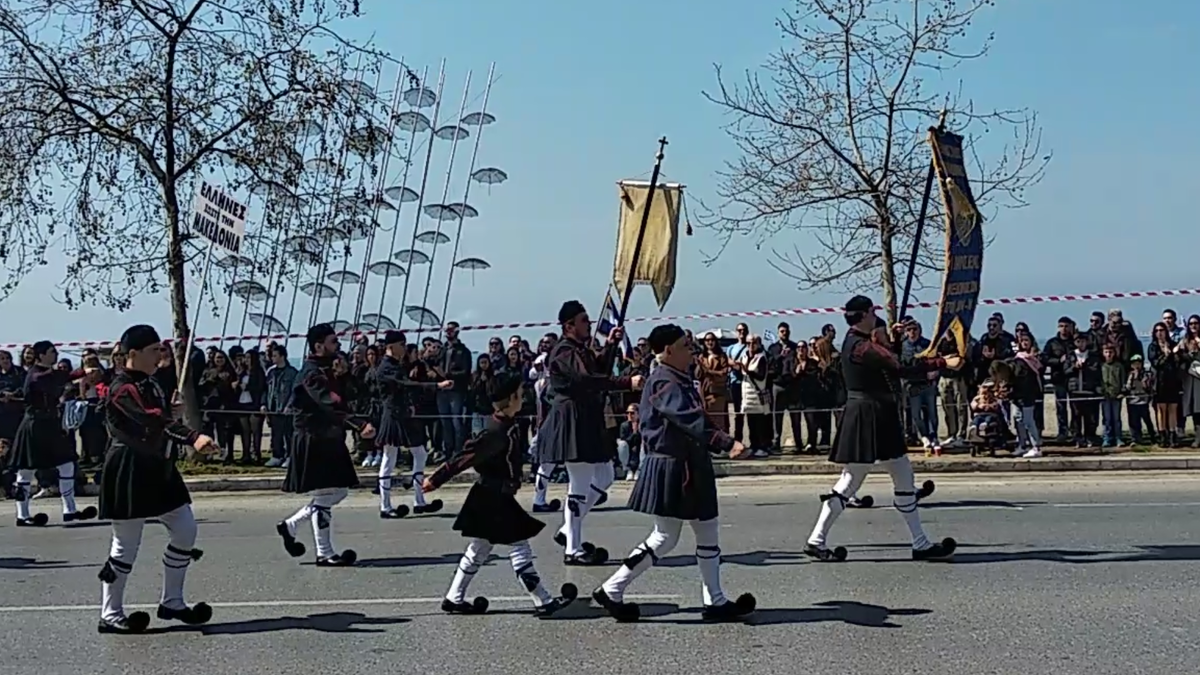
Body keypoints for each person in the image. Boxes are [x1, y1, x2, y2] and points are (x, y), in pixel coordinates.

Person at [593, 324, 756, 623]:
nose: (691, 349)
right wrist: (725, 441)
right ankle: (612, 589)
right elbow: (687, 417)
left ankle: (715, 601)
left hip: (690, 464)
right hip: (674, 466)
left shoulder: (678, 378)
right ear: (668, 350)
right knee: (665, 537)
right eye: (684, 345)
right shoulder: (663, 381)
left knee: (706, 530)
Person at [803, 296, 959, 562]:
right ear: (865, 314)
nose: (877, 315)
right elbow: (900, 367)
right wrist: (942, 363)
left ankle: (919, 543)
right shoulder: (862, 346)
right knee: (852, 481)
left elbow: (889, 361)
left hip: (873, 415)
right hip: (869, 417)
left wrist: (893, 340)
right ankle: (816, 539)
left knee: (901, 475)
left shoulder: (861, 344)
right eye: (873, 311)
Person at [423, 373, 578, 618]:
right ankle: (543, 601)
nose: (523, 397)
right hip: (492, 497)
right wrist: (436, 479)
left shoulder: (506, 426)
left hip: (493, 495)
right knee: (520, 547)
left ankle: (454, 597)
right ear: (510, 399)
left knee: (479, 549)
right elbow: (464, 457)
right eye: (519, 394)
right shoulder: (495, 432)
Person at [97, 325, 219, 634]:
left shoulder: (151, 383)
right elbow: (149, 418)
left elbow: (159, 416)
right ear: (133, 354)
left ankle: (172, 602)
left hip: (159, 467)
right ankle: (110, 614)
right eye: (154, 351)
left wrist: (172, 412)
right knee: (125, 545)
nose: (160, 356)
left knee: (185, 529)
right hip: (129, 468)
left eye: (160, 350)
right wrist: (192, 436)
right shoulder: (121, 388)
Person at [537, 300, 643, 565]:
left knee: (605, 476)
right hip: (572, 419)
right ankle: (573, 548)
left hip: (586, 419)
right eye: (584, 320)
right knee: (580, 482)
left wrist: (610, 346)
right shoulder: (564, 351)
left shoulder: (579, 350)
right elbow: (586, 380)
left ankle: (567, 530)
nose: (589, 324)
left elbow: (598, 370)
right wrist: (625, 382)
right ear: (568, 325)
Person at [276, 323, 375, 567]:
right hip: (313, 438)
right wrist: (359, 424)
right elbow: (328, 402)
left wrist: (344, 375)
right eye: (333, 341)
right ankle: (324, 552)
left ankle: (293, 526)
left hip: (327, 437)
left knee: (335, 492)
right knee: (327, 494)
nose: (338, 345)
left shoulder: (327, 369)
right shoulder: (311, 373)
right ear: (319, 345)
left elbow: (351, 395)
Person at [7, 340, 96, 526]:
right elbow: (51, 380)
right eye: (51, 351)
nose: (55, 354)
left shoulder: (50, 374)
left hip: (51, 425)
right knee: (26, 470)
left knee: (66, 464)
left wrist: (85, 370)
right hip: (34, 425)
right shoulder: (35, 375)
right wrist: (75, 375)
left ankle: (69, 510)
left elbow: (63, 377)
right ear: (41, 355)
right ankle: (22, 515)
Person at [372, 330, 442, 519]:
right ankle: (385, 506)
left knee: (419, 453)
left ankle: (419, 501)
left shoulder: (396, 364)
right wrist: (436, 386)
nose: (404, 348)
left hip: (403, 414)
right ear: (391, 346)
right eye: (402, 345)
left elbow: (404, 388)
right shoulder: (386, 367)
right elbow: (405, 384)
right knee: (389, 457)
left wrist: (410, 405)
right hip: (393, 416)